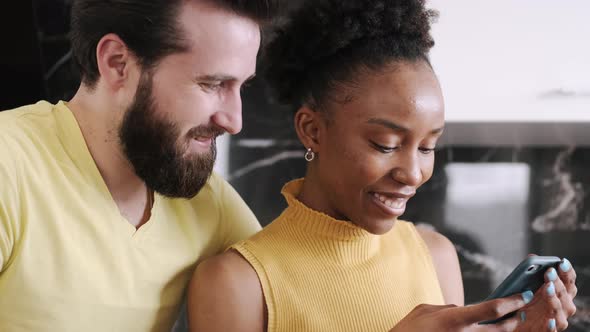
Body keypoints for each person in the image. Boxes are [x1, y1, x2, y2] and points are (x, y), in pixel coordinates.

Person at [188, 0, 578, 331]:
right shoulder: (237, 283)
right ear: (312, 130)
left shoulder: (436, 255)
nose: (412, 174)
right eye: (385, 144)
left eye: (427, 147)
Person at [0, 0, 279, 331]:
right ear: (117, 63)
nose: (235, 121)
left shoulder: (207, 202)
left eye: (241, 86)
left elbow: (295, 292)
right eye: (212, 84)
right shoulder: (10, 162)